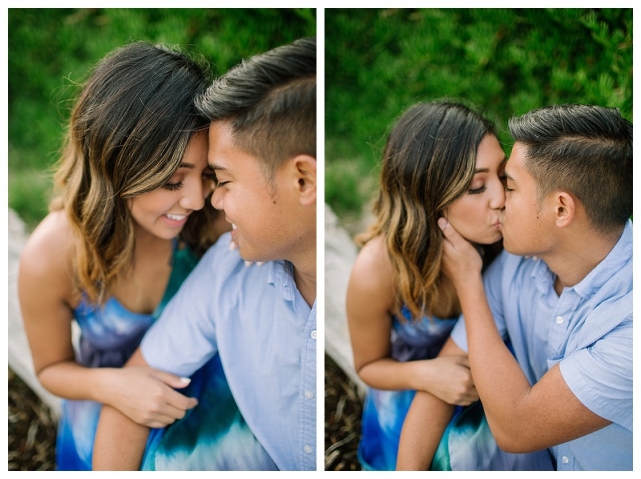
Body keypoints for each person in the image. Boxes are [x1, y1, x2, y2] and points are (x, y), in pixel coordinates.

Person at [92, 37, 317, 471]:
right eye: (176, 181)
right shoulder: (228, 264)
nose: (206, 200)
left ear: (303, 181)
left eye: (222, 180)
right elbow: (130, 401)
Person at [17, 41, 231, 470]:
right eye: (172, 181)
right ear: (114, 164)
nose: (194, 199)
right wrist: (115, 387)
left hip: (209, 419)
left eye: (207, 174)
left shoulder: (214, 218)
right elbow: (52, 369)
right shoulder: (52, 255)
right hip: (105, 412)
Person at [398, 104, 632, 471]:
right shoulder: (517, 264)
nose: (500, 200)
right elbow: (443, 379)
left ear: (561, 210)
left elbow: (517, 428)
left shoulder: (630, 328)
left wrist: (468, 283)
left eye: (510, 185)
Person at [346, 101, 551, 471]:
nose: (500, 198)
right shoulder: (377, 271)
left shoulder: (508, 242)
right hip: (412, 397)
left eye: (502, 176)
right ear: (428, 198)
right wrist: (428, 374)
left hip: (492, 388)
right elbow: (369, 365)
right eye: (476, 186)